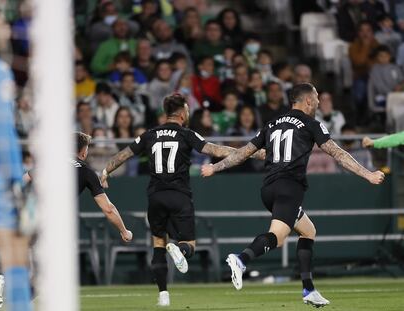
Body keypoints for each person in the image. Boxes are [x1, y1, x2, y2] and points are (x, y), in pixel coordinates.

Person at [201, 83, 385, 307]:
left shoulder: (272, 123)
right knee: (277, 238)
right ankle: (241, 259)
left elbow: (242, 153)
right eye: (316, 97)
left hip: (268, 189)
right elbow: (338, 153)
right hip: (289, 188)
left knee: (308, 231)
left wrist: (215, 168)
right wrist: (367, 174)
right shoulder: (311, 124)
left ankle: (309, 289)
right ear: (308, 101)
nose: (317, 101)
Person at [100, 93, 264, 307]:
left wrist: (105, 171)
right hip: (179, 195)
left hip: (156, 196)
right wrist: (250, 152)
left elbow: (123, 155)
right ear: (182, 112)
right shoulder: (186, 134)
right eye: (187, 109)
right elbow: (216, 150)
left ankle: (163, 296)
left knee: (158, 243)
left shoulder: (149, 134)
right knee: (190, 245)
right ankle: (181, 250)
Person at [0, 7, 33, 311]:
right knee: (17, 255)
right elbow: (2, 132)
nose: (6, 30)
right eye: (2, 23)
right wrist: (17, 183)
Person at [23, 132, 132, 242]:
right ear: (84, 152)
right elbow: (108, 209)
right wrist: (124, 231)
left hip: (32, 217)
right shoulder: (87, 172)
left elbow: (23, 181)